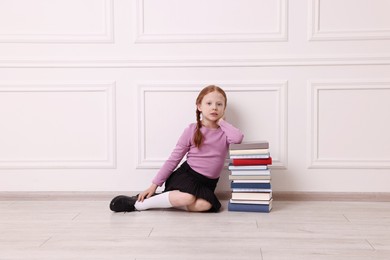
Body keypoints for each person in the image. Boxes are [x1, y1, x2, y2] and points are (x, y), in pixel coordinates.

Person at [110, 85, 244, 213]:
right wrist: (154, 185)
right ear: (199, 107)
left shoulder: (225, 132)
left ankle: (163, 200)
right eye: (209, 103)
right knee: (188, 198)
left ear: (224, 108)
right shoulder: (192, 130)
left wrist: (221, 122)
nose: (214, 107)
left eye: (219, 104)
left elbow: (238, 138)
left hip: (208, 183)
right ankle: (139, 204)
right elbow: (173, 159)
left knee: (206, 205)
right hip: (187, 177)